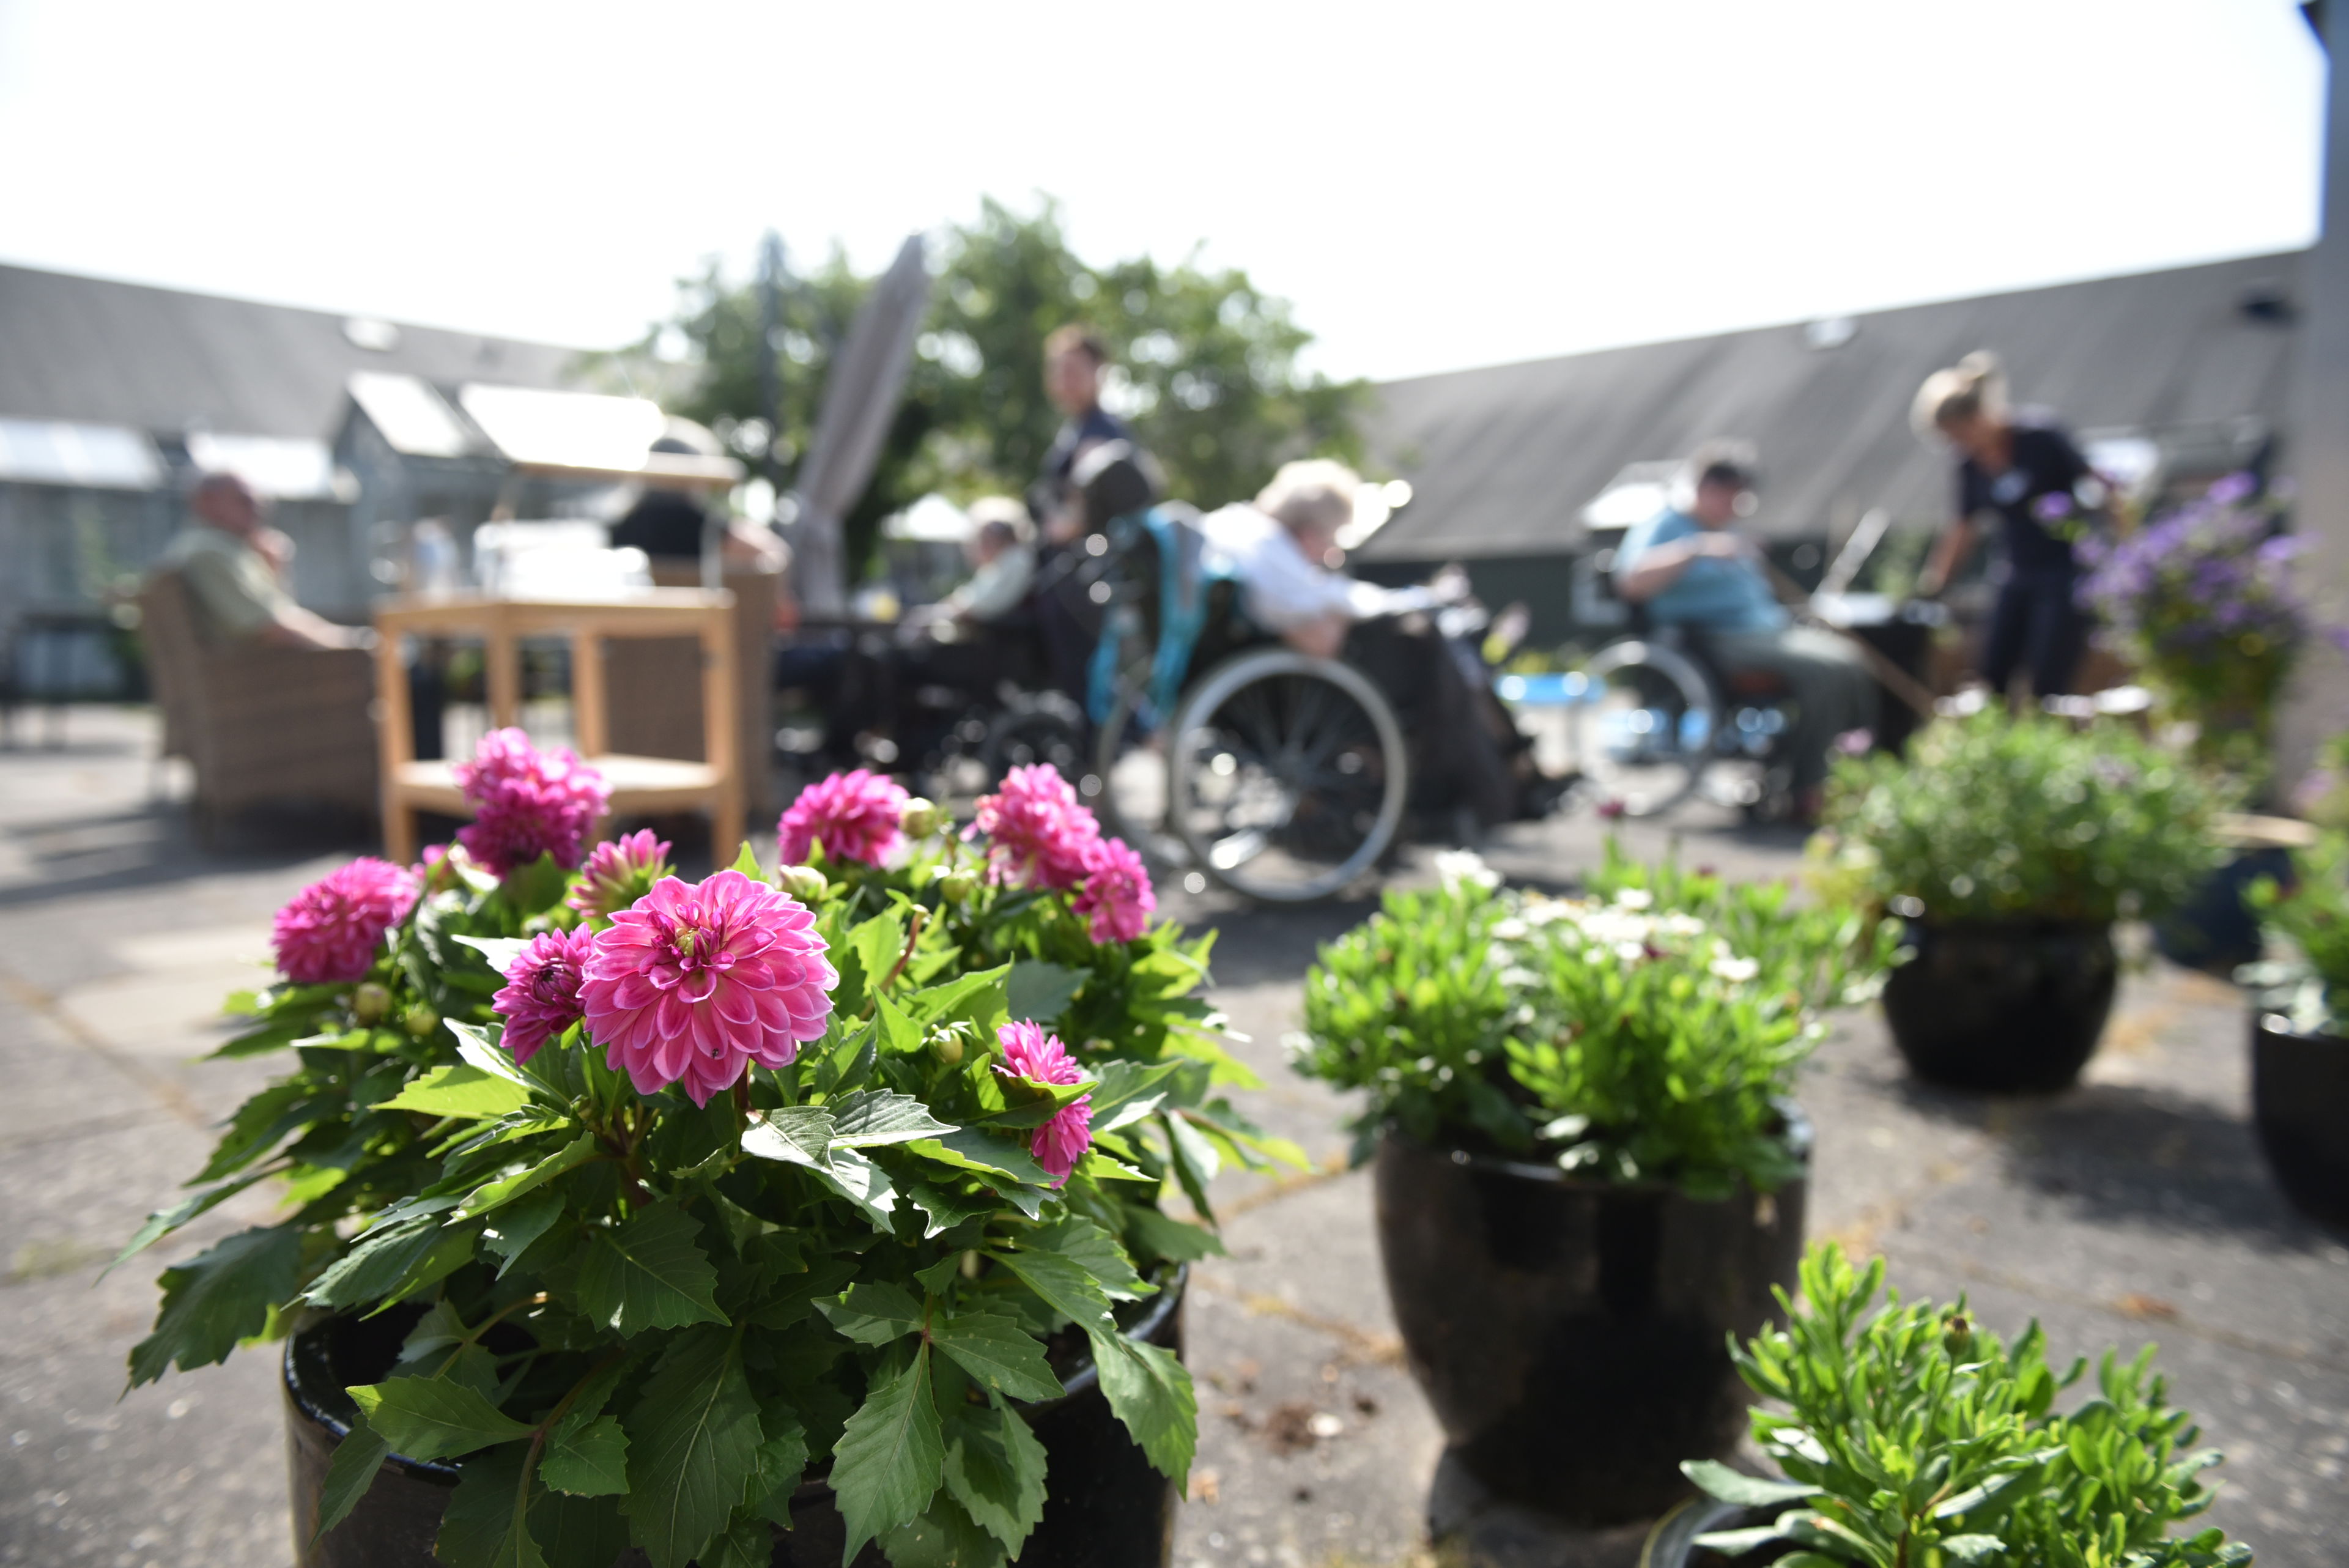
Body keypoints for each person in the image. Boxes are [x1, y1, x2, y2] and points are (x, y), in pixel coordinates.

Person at [1203, 460, 1534, 827]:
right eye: (1333, 542)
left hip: (1255, 683)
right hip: (1294, 694)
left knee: (1429, 640)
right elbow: (1320, 633)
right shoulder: (1268, 551)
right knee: (1427, 646)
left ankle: (1489, 777)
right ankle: (1481, 785)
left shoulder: (1240, 530)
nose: (1332, 555)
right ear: (1313, 533)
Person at [1613, 442, 1877, 816]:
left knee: (1851, 662)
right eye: (1730, 496)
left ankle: (1843, 771)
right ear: (1707, 489)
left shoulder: (1730, 530)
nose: (1735, 507)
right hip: (1715, 638)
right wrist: (1697, 548)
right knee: (1825, 671)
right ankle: (1807, 787)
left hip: (1768, 630)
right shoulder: (1667, 526)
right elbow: (1631, 582)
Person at [1912, 352, 2096, 700]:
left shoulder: (2040, 438)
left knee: (2048, 679)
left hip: (2064, 571)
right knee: (1991, 674)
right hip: (2015, 571)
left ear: (1978, 417)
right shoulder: (1969, 464)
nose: (1958, 445)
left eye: (1959, 434)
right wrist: (1934, 584)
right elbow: (1963, 528)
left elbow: (2099, 487)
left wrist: (2123, 549)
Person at [1027, 326, 1140, 708]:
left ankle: (1134, 742)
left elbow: (1079, 511)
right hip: (1072, 573)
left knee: (1087, 675)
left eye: (1074, 369)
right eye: (1058, 369)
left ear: (1100, 372)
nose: (1064, 379)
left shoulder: (1099, 430)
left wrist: (1053, 527)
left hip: (1082, 577)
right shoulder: (1076, 428)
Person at [156, 473, 368, 649]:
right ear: (207, 501)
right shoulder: (210, 551)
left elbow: (278, 615)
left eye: (261, 503)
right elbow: (273, 629)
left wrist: (273, 567)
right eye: (245, 501)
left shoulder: (224, 548)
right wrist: (353, 643)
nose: (257, 511)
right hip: (257, 673)